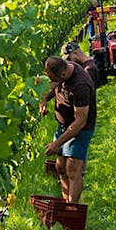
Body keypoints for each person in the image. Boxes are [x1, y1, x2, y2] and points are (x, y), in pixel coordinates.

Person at [42, 55, 97, 203]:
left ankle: (72, 210)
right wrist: (45, 99)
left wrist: (57, 143)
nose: (51, 81)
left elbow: (80, 122)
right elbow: (54, 88)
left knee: (73, 169)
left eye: (52, 78)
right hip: (63, 126)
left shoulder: (80, 85)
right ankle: (66, 202)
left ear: (63, 75)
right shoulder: (64, 70)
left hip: (80, 129)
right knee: (60, 167)